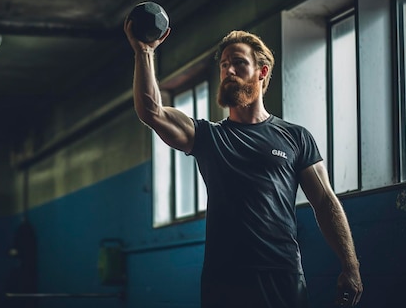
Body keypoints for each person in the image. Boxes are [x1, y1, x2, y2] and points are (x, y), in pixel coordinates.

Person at [123, 20, 363, 308]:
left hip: (282, 275)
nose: (229, 71)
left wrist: (351, 266)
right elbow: (152, 111)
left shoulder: (296, 137)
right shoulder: (208, 137)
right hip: (224, 280)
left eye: (238, 63)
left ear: (261, 72)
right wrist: (145, 52)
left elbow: (325, 202)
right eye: (224, 65)